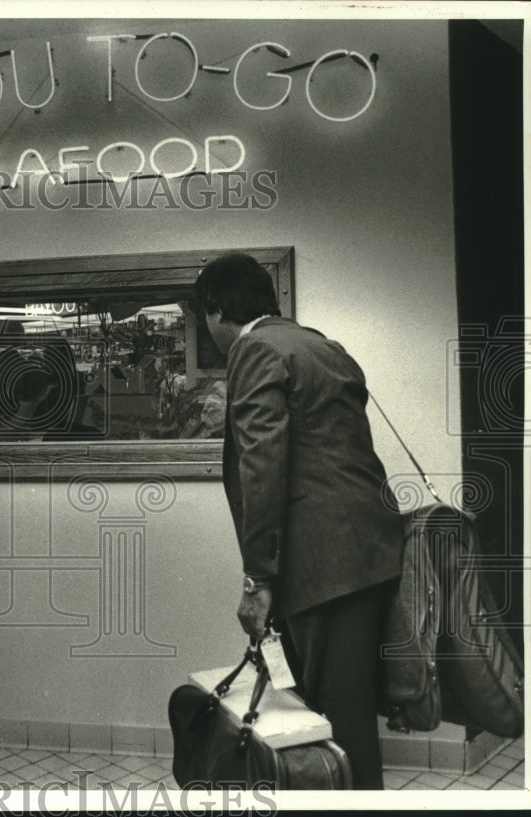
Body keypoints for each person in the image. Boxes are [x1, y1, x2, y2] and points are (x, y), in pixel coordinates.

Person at [192, 252, 403, 790]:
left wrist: (257, 579)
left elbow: (262, 464)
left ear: (216, 311)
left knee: (333, 727)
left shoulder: (255, 348)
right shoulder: (322, 345)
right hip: (368, 554)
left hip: (321, 566)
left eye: (205, 317)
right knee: (349, 718)